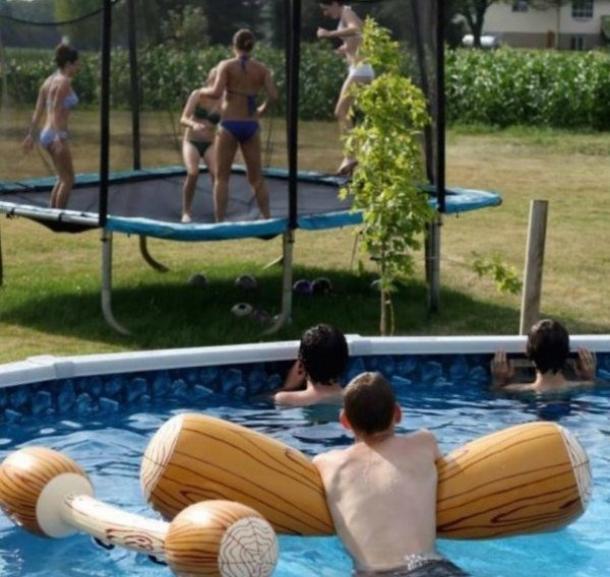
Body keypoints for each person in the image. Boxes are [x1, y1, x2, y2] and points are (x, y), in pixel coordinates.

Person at [313, 372, 468, 577]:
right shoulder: (424, 442)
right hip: (431, 569)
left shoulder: (328, 464)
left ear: (344, 421)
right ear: (398, 413)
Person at [199, 29, 278, 222]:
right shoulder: (261, 69)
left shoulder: (226, 65)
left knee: (222, 177)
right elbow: (274, 95)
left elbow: (216, 92)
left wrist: (200, 91)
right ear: (252, 46)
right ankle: (267, 218)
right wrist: (261, 109)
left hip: (229, 125)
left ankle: (220, 221)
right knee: (256, 178)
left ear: (234, 46)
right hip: (251, 125)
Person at [318, 0, 375, 176]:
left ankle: (351, 156)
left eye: (326, 9)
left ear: (335, 3)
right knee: (352, 114)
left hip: (360, 70)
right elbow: (359, 37)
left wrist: (330, 34)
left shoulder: (347, 12)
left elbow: (355, 29)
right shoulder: (347, 14)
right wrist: (345, 49)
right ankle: (359, 157)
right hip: (359, 69)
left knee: (341, 111)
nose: (326, 13)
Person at [22, 43, 80, 209]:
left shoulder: (48, 81)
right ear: (68, 64)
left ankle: (53, 212)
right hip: (56, 133)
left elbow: (38, 110)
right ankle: (59, 216)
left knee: (62, 178)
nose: (78, 68)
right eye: (76, 64)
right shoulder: (64, 82)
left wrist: (31, 135)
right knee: (68, 179)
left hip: (45, 134)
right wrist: (58, 137)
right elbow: (55, 109)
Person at [491, 318, 597, 393]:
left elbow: (496, 398)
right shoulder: (586, 387)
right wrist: (589, 377)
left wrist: (499, 380)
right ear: (567, 352)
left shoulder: (512, 390)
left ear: (528, 353)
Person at [179, 68, 221, 223]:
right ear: (210, 80)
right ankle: (186, 211)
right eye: (216, 81)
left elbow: (227, 119)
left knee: (217, 175)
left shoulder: (223, 99)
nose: (219, 84)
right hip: (192, 141)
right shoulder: (197, 94)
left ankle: (219, 213)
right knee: (192, 173)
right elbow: (183, 118)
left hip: (210, 143)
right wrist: (193, 124)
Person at [274, 324, 348, 407]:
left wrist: (288, 387)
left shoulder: (284, 399)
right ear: (345, 360)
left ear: (301, 365)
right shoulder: (354, 399)